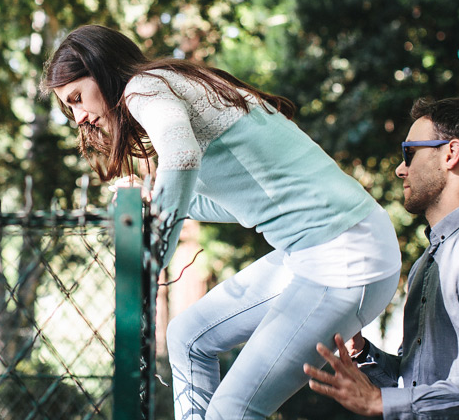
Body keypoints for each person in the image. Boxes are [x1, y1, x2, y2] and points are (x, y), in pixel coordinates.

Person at [41, 25, 401, 420]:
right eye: (68, 108)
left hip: (344, 254)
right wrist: (157, 197)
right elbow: (241, 206)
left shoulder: (141, 88)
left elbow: (179, 158)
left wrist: (153, 259)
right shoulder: (170, 85)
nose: (78, 118)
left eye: (77, 98)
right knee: (188, 337)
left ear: (101, 70)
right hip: (320, 250)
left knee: (233, 410)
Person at [304, 98, 459, 419]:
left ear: (451, 153)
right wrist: (361, 352)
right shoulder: (424, 265)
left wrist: (379, 403)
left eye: (410, 153)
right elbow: (412, 379)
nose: (401, 168)